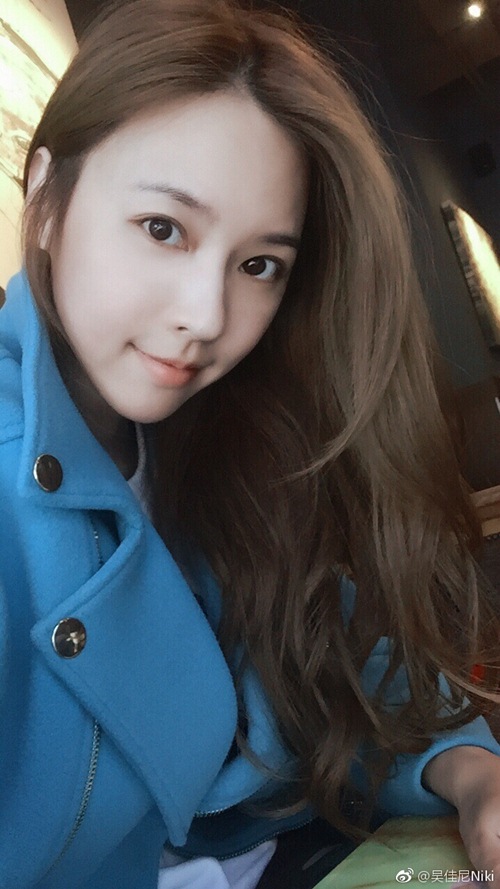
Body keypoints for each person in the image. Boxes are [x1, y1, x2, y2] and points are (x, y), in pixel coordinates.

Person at [2, 0, 500, 887]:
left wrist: (473, 774)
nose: (208, 315)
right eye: (163, 228)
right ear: (45, 200)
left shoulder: (222, 439)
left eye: (258, 264)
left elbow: (339, 667)